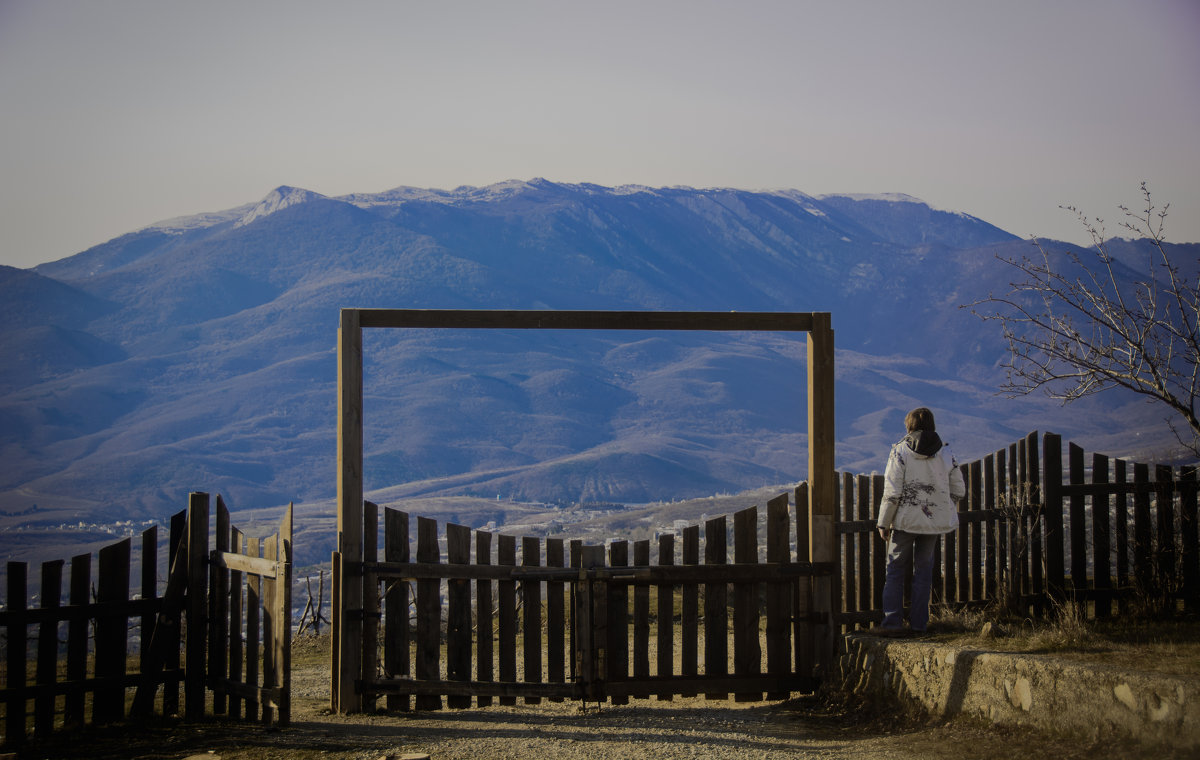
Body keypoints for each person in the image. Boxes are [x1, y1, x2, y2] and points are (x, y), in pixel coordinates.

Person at [875, 407, 965, 635]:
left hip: (905, 521)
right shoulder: (946, 454)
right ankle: (919, 625)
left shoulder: (900, 452)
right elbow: (959, 490)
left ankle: (892, 623)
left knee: (895, 570)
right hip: (932, 523)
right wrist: (940, 503)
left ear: (909, 425)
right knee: (923, 572)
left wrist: (884, 522)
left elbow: (892, 492)